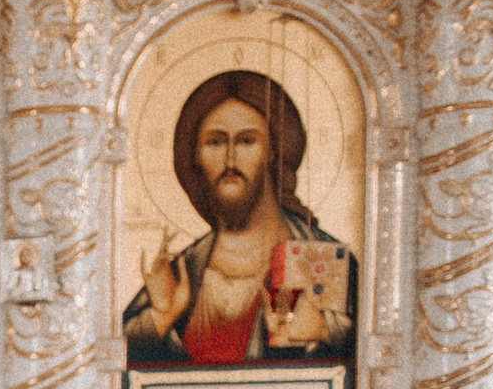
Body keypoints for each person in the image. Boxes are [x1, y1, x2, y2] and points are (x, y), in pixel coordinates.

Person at [122, 71, 356, 365]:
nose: (230, 160)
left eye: (247, 141)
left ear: (273, 150)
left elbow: (368, 344)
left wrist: (325, 332)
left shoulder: (320, 258)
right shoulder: (181, 273)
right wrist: (161, 317)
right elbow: (110, 362)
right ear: (194, 155)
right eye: (215, 143)